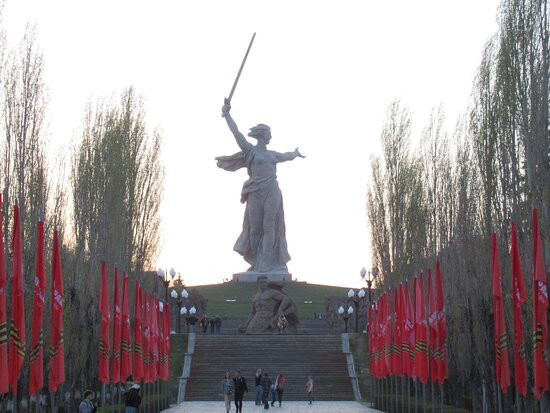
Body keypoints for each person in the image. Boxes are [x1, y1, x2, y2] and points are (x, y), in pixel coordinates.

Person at [217, 100, 305, 273]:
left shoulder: (273, 155)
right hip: (255, 192)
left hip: (272, 191)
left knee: (270, 226)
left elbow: (287, 156)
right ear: (262, 135)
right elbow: (237, 134)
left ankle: (267, 263)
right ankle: (256, 262)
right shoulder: (250, 151)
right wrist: (227, 115)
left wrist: (295, 153)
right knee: (255, 228)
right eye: (269, 134)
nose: (271, 137)